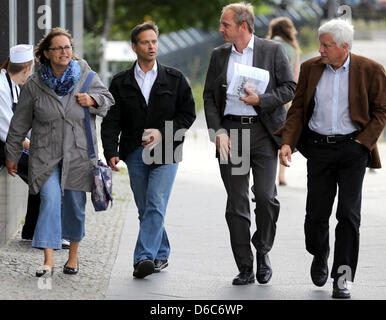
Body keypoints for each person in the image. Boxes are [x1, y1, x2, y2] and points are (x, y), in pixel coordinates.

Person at [277, 19, 386, 298]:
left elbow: (383, 109)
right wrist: (288, 142)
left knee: (348, 215)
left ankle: (342, 277)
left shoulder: (370, 69)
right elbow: (298, 108)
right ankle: (319, 252)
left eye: (326, 45)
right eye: (320, 44)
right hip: (318, 149)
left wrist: (362, 143)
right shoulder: (309, 68)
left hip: (353, 150)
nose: (321, 50)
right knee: (316, 215)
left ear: (345, 47)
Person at [5, 27, 114, 277]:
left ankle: (73, 257)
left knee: (75, 206)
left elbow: (107, 99)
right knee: (50, 201)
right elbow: (19, 122)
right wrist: (12, 154)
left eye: (68, 47)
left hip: (78, 154)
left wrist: (93, 101)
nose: (65, 52)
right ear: (46, 53)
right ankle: (48, 260)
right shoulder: (34, 83)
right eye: (59, 48)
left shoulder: (85, 74)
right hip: (45, 155)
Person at [203, 2, 296, 286]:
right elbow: (208, 97)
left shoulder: (272, 51)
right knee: (237, 202)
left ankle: (263, 250)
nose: (221, 29)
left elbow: (289, 87)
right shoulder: (219, 56)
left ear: (243, 26)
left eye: (226, 25)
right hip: (232, 135)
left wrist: (261, 100)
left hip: (264, 133)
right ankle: (245, 266)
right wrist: (217, 131)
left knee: (266, 197)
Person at [101, 21, 196, 279]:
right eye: (145, 42)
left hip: (167, 152)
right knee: (145, 208)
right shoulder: (120, 82)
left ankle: (143, 258)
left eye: (154, 41)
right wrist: (111, 150)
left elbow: (188, 114)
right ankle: (161, 252)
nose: (151, 46)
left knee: (155, 203)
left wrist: (161, 132)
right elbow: (111, 119)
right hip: (134, 152)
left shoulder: (175, 79)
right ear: (135, 47)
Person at [0, 44, 40, 241]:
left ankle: (32, 230)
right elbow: (9, 131)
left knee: (42, 171)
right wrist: (37, 149)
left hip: (11, 145)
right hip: (5, 146)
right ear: (27, 68)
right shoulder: (1, 86)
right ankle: (34, 231)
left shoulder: (14, 86)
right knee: (42, 170)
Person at [266, 16, 301, 186]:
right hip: (284, 100)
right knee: (283, 137)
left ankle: (267, 173)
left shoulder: (264, 46)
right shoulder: (293, 50)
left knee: (266, 135)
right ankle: (281, 175)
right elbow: (295, 79)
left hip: (264, 98)